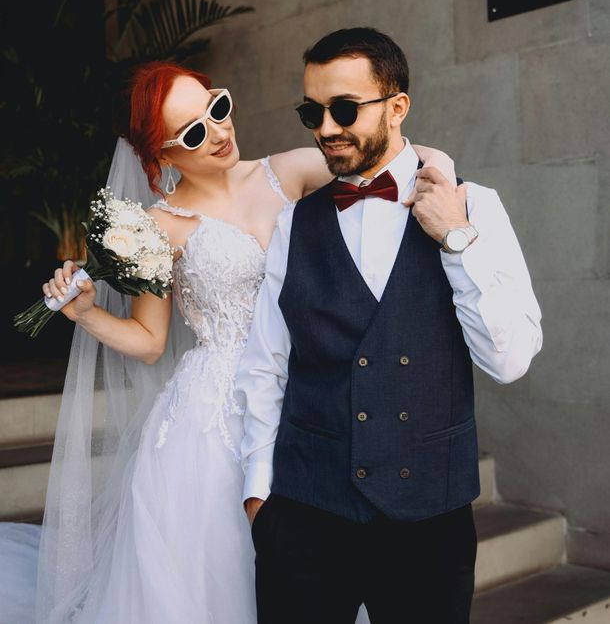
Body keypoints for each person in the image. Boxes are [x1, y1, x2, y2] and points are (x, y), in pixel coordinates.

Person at [0, 59, 454, 624]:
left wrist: (449, 199)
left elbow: (407, 160)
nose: (218, 132)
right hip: (211, 421)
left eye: (217, 108)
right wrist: (86, 314)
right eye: (193, 132)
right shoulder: (154, 227)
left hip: (311, 390)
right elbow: (148, 340)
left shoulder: (289, 172)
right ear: (159, 157)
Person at [237, 27, 543, 624]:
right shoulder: (295, 224)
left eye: (344, 109)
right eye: (312, 111)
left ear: (397, 106)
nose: (325, 128)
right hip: (305, 512)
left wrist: (456, 238)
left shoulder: (474, 205)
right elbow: (265, 363)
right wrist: (259, 497)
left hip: (429, 518)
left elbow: (510, 359)